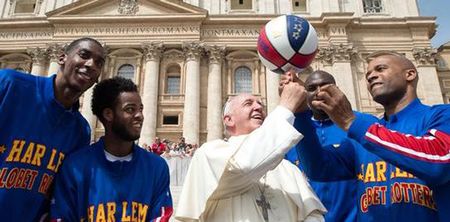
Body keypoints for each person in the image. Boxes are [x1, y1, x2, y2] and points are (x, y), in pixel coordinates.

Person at [284, 51, 450, 221]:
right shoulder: (363, 136)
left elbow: (439, 161)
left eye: (380, 69)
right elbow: (318, 168)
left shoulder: (441, 115)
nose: (371, 77)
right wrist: (301, 114)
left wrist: (352, 122)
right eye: (368, 74)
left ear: (410, 74)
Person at [175, 79, 326, 222]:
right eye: (248, 103)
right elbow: (243, 166)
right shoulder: (209, 153)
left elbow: (313, 214)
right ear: (228, 119)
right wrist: (286, 107)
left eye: (261, 104)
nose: (259, 107)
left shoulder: (288, 168)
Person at [0, 37, 105, 221]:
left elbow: (61, 191)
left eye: (99, 63)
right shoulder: (9, 84)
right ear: (62, 58)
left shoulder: (81, 130)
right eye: (84, 55)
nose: (91, 65)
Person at [50, 77, 173, 221]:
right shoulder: (74, 166)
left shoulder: (157, 167)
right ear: (108, 114)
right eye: (130, 109)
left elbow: (161, 217)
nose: (140, 116)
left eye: (140, 109)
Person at [285, 70, 357, 222]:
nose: (319, 92)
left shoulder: (357, 125)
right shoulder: (291, 132)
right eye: (311, 88)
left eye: (325, 86)